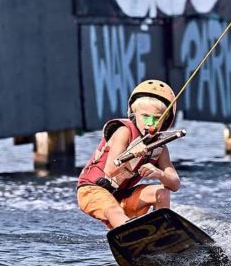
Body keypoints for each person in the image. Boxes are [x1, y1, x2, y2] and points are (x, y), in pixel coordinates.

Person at [77, 80, 182, 229]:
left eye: (157, 118)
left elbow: (175, 184)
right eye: (145, 117)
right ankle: (131, 236)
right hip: (92, 190)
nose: (150, 124)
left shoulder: (160, 148)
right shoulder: (123, 132)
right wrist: (131, 154)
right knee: (114, 210)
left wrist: (160, 174)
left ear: (165, 120)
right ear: (134, 114)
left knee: (162, 193)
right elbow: (110, 171)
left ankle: (162, 233)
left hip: (121, 196)